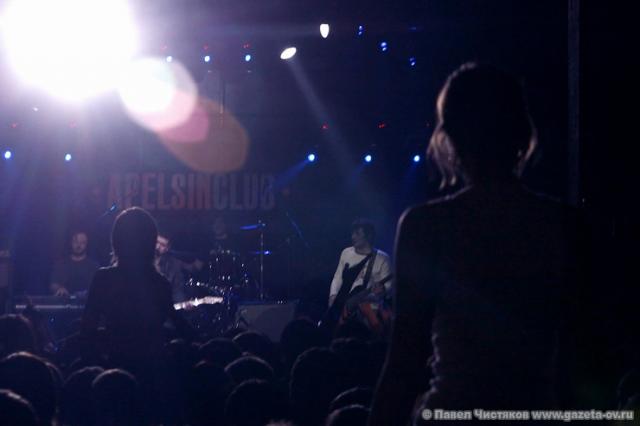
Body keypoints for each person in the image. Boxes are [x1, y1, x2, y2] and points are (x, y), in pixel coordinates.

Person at [370, 63, 579, 425]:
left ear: (450, 136)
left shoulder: (427, 226)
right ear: (521, 131)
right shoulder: (566, 224)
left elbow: (404, 363)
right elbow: (586, 353)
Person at [81, 207, 192, 372]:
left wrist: (100, 366)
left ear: (116, 241)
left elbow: (87, 330)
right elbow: (180, 326)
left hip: (115, 368)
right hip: (153, 373)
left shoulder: (103, 279)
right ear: (151, 243)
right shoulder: (160, 283)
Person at [328, 219, 392, 309]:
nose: (353, 237)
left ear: (368, 236)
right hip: (346, 309)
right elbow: (338, 277)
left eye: (357, 234)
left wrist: (380, 292)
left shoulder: (383, 258)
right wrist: (333, 295)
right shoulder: (346, 253)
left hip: (371, 310)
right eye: (352, 233)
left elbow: (389, 287)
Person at [155, 233, 202, 302]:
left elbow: (177, 292)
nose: (157, 246)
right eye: (156, 242)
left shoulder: (174, 263)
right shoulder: (142, 260)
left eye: (162, 245)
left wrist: (203, 257)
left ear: (167, 248)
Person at [50, 231, 99, 297]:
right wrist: (59, 289)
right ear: (71, 242)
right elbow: (53, 284)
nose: (78, 245)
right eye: (76, 242)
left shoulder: (94, 266)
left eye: (82, 242)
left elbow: (99, 287)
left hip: (88, 302)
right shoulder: (61, 264)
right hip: (65, 301)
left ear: (87, 244)